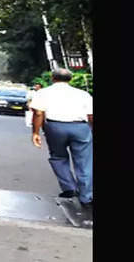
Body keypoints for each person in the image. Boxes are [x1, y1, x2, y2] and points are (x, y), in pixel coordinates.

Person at [30, 69, 93, 210]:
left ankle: (69, 188)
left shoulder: (43, 93)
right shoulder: (83, 94)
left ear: (52, 78)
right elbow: (90, 116)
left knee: (58, 157)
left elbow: (38, 113)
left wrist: (35, 132)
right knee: (84, 161)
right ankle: (86, 196)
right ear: (70, 79)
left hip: (55, 127)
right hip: (80, 127)